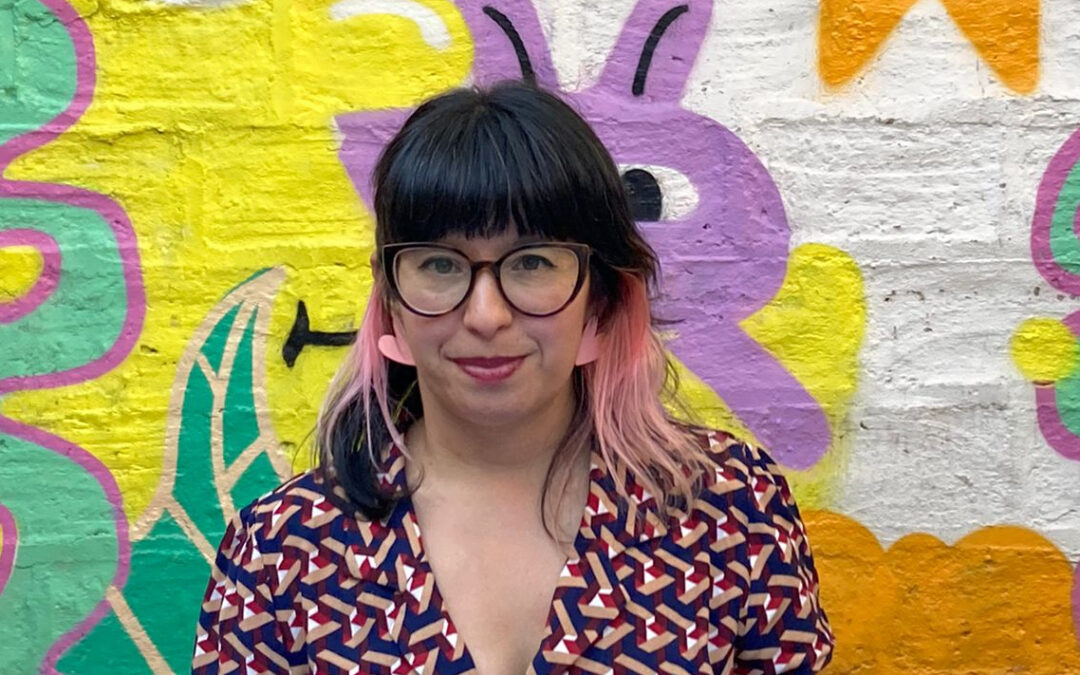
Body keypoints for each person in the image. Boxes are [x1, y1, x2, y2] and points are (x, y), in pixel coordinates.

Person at [191, 80, 834, 674]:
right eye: (440, 265)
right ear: (390, 295)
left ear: (600, 297)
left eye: (531, 263)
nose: (486, 315)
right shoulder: (284, 550)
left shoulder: (728, 512)